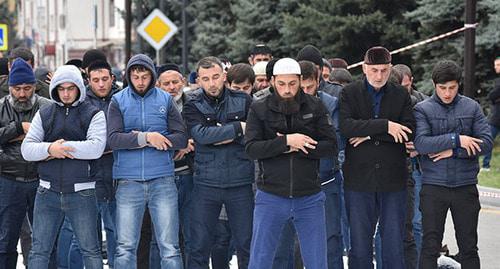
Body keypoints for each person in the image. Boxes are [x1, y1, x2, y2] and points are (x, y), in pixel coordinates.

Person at [245, 58, 337, 269]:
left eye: (293, 84)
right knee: (260, 259)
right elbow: (251, 148)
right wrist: (285, 142)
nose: (287, 90)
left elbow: (331, 146)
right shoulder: (259, 108)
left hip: (309, 197)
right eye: (282, 84)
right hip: (270, 196)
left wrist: (302, 144)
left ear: (299, 81)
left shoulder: (315, 106)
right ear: (272, 82)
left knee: (317, 262)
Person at [21, 64, 107, 269]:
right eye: (61, 88)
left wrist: (61, 148)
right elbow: (27, 149)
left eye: (71, 88)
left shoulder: (93, 113)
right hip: (47, 191)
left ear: (79, 87)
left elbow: (96, 148)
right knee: (39, 250)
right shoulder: (45, 112)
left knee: (91, 250)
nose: (66, 93)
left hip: (82, 192)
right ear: (55, 89)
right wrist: (51, 149)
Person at [107, 54, 188, 269]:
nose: (140, 82)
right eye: (136, 77)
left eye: (144, 77)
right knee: (125, 247)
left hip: (162, 180)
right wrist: (147, 137)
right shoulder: (118, 100)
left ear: (152, 76)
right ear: (129, 77)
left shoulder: (165, 99)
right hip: (128, 182)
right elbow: (113, 138)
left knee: (170, 248)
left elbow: (180, 137)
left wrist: (152, 138)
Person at [339, 46, 415, 268]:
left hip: (393, 179)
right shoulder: (350, 93)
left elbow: (409, 131)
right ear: (364, 68)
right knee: (360, 245)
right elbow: (346, 127)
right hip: (359, 179)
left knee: (393, 243)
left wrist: (368, 133)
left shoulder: (400, 94)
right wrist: (386, 126)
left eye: (383, 70)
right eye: (374, 70)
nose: (379, 76)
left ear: (390, 68)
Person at [414, 60, 493, 269]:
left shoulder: (472, 106)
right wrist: (457, 140)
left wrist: (453, 151)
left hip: (465, 185)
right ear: (434, 85)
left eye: (452, 87)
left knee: (469, 246)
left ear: (459, 84)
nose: (447, 93)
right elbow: (421, 143)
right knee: (430, 246)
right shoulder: (422, 109)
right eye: (442, 88)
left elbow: (486, 143)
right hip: (433, 186)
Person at [183, 56, 254, 269]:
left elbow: (253, 133)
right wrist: (236, 128)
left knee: (246, 244)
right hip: (206, 184)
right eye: (206, 79)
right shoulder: (192, 104)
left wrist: (216, 135)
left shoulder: (243, 100)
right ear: (198, 80)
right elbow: (201, 136)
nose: (212, 83)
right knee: (199, 246)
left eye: (215, 77)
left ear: (224, 76)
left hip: (240, 182)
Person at [0, 58, 51, 269]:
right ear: (10, 87)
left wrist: (11, 139)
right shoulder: (1, 107)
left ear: (35, 87)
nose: (22, 94)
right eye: (17, 88)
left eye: (27, 88)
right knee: (5, 240)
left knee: (44, 240)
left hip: (42, 180)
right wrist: (20, 128)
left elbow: (52, 138)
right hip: (8, 179)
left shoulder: (46, 107)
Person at [151, 63, 195, 267]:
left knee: (189, 233)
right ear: (158, 85)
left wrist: (190, 142)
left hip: (188, 176)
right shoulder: (151, 106)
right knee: (160, 236)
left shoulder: (194, 104)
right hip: (160, 177)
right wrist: (179, 143)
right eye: (166, 83)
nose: (172, 87)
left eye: (175, 82)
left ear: (183, 82)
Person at [482, 56, 500, 171]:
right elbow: (493, 96)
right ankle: (485, 165)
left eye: (498, 65)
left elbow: (492, 96)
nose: (496, 67)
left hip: (496, 117)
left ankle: (486, 165)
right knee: (488, 139)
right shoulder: (497, 80)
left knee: (488, 139)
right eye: (495, 65)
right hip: (496, 117)